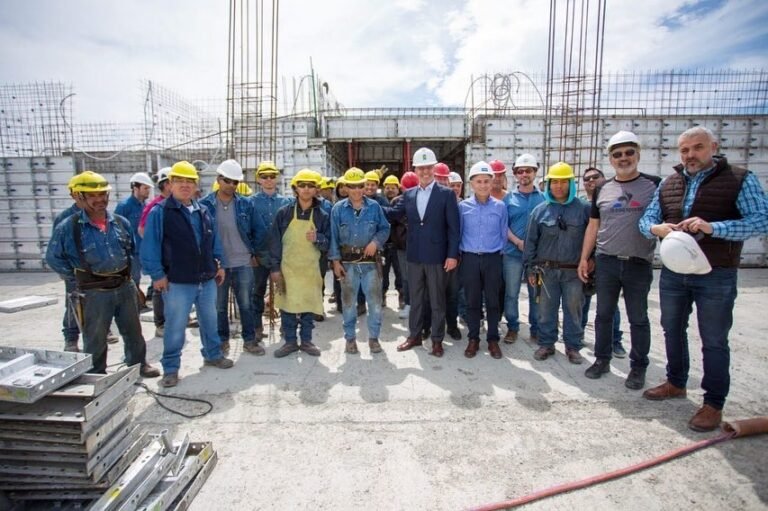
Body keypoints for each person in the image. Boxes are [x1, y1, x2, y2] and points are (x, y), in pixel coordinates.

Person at [639, 126, 768, 431]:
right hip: (674, 271)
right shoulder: (670, 183)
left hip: (716, 272)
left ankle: (713, 403)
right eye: (684, 150)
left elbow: (762, 219)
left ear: (713, 146)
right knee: (671, 329)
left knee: (713, 339)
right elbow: (646, 219)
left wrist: (713, 228)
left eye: (697, 148)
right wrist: (657, 229)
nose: (690, 155)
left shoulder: (738, 179)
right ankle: (676, 382)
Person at [45, 171, 159, 378]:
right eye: (92, 195)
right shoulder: (68, 227)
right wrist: (76, 278)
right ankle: (97, 373)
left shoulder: (120, 222)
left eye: (102, 195)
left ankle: (138, 364)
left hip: (124, 287)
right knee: (95, 336)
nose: (99, 200)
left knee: (133, 331)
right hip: (94, 291)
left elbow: (131, 250)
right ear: (79, 197)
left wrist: (132, 281)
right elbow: (53, 257)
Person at [141, 161, 233, 388]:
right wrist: (157, 275)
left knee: (210, 320)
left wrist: (219, 264)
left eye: (189, 181)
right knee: (175, 326)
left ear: (196, 186)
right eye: (179, 181)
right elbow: (150, 246)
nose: (184, 185)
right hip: (177, 281)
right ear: (170, 184)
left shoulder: (202, 211)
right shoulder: (160, 213)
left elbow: (213, 241)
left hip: (206, 278)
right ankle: (171, 368)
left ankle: (212, 354)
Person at [580, 131, 661, 390]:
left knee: (638, 317)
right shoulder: (603, 189)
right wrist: (584, 258)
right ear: (611, 159)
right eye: (617, 154)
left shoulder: (654, 185)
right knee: (603, 314)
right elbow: (594, 226)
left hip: (638, 262)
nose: (623, 158)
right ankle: (601, 360)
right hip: (607, 261)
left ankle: (638, 367)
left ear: (638, 154)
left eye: (628, 153)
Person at [388, 147, 460, 358]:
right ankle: (415, 335)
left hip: (437, 257)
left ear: (434, 169)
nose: (425, 172)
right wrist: (369, 204)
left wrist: (452, 255)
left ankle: (437, 340)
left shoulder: (446, 194)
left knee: (437, 300)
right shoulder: (409, 195)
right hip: (415, 256)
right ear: (415, 170)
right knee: (416, 299)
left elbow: (454, 229)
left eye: (429, 168)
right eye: (421, 168)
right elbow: (393, 214)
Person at [524, 162, 589, 364]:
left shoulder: (583, 210)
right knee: (545, 309)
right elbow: (530, 241)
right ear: (549, 184)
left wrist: (590, 261)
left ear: (571, 184)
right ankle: (546, 344)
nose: (559, 186)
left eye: (563, 182)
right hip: (546, 271)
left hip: (573, 272)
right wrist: (530, 270)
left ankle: (572, 346)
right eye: (555, 182)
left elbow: (592, 239)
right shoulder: (540, 211)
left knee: (573, 309)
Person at [200, 159, 267, 356]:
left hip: (242, 262)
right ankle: (222, 340)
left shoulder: (246, 205)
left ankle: (249, 340)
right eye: (227, 180)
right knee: (219, 306)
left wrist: (254, 253)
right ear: (218, 179)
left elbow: (259, 231)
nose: (231, 185)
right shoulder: (205, 205)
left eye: (235, 182)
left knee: (245, 304)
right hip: (218, 265)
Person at [330, 168, 391, 354]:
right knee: (348, 303)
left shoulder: (374, 207)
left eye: (360, 186)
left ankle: (373, 338)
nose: (356, 190)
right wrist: (335, 262)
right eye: (352, 186)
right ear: (345, 187)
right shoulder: (338, 210)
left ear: (364, 187)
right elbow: (333, 237)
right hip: (348, 265)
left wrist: (375, 242)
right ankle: (350, 339)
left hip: (370, 264)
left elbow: (385, 228)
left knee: (374, 303)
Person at [270, 169, 330, 357]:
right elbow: (274, 242)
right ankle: (289, 342)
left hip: (310, 270)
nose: (306, 189)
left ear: (316, 190)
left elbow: (328, 243)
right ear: (295, 188)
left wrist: (318, 238)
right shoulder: (284, 213)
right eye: (302, 185)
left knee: (308, 306)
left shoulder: (322, 215)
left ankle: (306, 341)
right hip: (288, 269)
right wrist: (275, 268)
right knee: (287, 307)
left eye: (310, 186)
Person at [459, 162, 508, 359]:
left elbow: (503, 233)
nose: (483, 185)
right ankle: (473, 339)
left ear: (492, 182)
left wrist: (496, 253)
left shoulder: (500, 207)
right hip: (469, 259)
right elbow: (459, 232)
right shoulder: (463, 207)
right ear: (472, 184)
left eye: (486, 181)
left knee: (493, 300)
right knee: (472, 301)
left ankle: (493, 339)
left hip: (492, 259)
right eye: (478, 181)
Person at [578, 167, 625, 356]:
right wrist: (585, 258)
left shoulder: (612, 201)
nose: (591, 181)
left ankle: (615, 341)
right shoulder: (580, 205)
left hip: (607, 258)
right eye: (587, 179)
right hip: (587, 260)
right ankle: (578, 334)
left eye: (595, 177)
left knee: (610, 304)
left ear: (604, 178)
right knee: (583, 300)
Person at [502, 154, 544, 344]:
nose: (524, 174)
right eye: (520, 171)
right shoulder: (508, 199)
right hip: (512, 254)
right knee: (511, 293)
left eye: (528, 170)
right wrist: (518, 241)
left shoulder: (543, 199)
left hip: (536, 258)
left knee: (536, 295)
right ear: (515, 175)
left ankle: (535, 329)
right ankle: (512, 327)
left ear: (535, 172)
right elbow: (502, 225)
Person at [250, 161, 293, 340]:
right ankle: (256, 328)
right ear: (258, 179)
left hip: (280, 255)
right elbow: (246, 229)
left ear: (277, 178)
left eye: (272, 176)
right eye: (264, 176)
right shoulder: (249, 203)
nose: (268, 180)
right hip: (259, 255)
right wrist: (251, 253)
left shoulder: (287, 202)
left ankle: (286, 327)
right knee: (257, 292)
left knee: (284, 291)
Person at [139, 167, 172, 338]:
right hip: (161, 259)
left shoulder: (177, 204)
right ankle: (161, 324)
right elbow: (142, 230)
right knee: (159, 289)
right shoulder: (155, 206)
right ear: (166, 184)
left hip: (174, 259)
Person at [115, 172, 154, 294]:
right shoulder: (124, 206)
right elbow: (117, 228)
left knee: (155, 274)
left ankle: (149, 296)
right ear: (135, 188)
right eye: (145, 188)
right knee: (134, 278)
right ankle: (135, 302)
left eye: (148, 188)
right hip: (132, 251)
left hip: (145, 249)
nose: (148, 191)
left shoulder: (146, 206)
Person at [393, 171, 419, 320]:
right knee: (406, 277)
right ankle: (408, 304)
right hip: (402, 247)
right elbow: (391, 224)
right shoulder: (397, 202)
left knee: (419, 277)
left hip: (420, 246)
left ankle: (417, 305)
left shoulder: (423, 200)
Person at [381, 175, 404, 308]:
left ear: (398, 189)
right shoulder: (379, 202)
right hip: (383, 244)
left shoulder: (401, 202)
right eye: (387, 187)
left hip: (397, 244)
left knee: (400, 272)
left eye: (393, 188)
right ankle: (382, 294)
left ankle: (401, 295)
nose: (390, 190)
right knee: (382, 273)